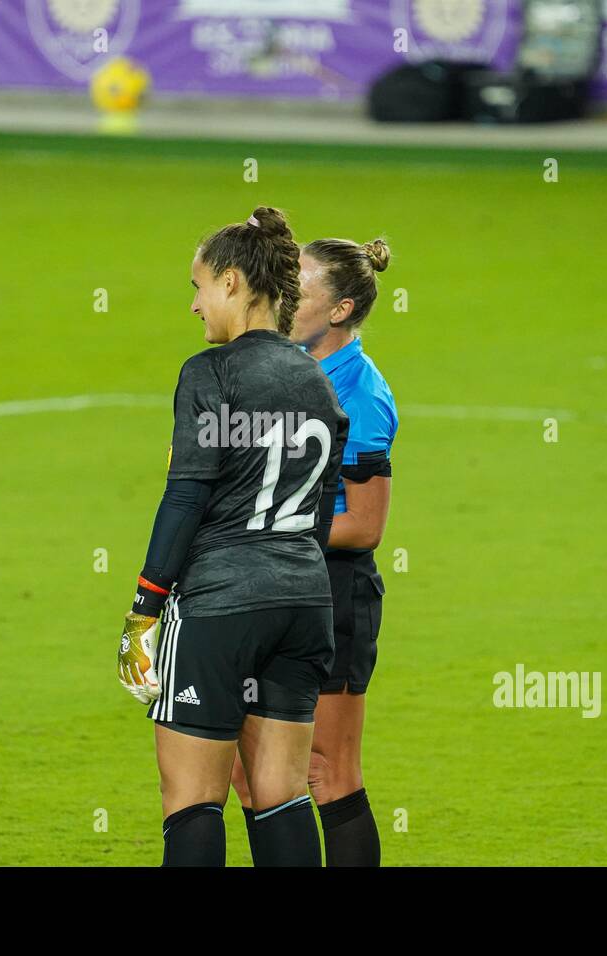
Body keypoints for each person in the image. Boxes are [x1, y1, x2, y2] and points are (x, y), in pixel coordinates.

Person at [116, 207, 349, 866]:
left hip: (222, 604)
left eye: (198, 286)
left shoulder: (209, 375)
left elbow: (185, 495)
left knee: (192, 798)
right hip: (305, 604)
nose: (193, 306)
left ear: (233, 283)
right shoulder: (319, 384)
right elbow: (322, 515)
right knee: (281, 793)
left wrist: (145, 607)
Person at [230, 236, 397, 866]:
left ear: (339, 309)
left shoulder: (360, 396)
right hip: (261, 586)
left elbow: (364, 526)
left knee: (326, 772)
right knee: (250, 775)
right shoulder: (274, 367)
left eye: (300, 288)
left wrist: (267, 527)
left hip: (332, 593)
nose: (282, 296)